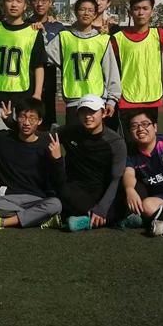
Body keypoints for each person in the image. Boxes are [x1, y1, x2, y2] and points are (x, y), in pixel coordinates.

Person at [0, 97, 64, 230]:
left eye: (32, 118)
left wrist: (58, 159)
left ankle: (3, 222)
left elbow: (60, 182)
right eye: (22, 117)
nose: (26, 122)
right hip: (7, 198)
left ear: (40, 121)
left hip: (36, 199)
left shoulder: (47, 144)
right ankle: (38, 218)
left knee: (55, 204)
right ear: (16, 118)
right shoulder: (2, 138)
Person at [53, 94, 128, 232]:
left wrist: (102, 209)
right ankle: (115, 219)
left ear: (103, 113)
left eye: (92, 111)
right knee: (61, 190)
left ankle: (88, 220)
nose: (88, 116)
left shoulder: (115, 142)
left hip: (103, 191)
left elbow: (116, 179)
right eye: (83, 112)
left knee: (122, 194)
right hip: (77, 191)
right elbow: (43, 136)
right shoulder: (69, 131)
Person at [110, 0, 163, 130]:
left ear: (152, 12)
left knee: (148, 140)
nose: (141, 12)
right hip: (127, 99)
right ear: (130, 12)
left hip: (151, 98)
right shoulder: (118, 38)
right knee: (129, 140)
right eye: (137, 8)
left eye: (145, 8)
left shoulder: (159, 34)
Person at [45, 0, 121, 126]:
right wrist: (41, 33)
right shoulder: (64, 37)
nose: (86, 13)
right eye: (82, 9)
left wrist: (112, 99)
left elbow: (111, 71)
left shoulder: (102, 40)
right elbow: (44, 55)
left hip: (97, 100)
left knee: (95, 137)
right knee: (74, 138)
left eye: (90, 10)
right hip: (73, 100)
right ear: (76, 12)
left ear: (95, 14)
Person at [0, 0, 46, 130]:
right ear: (3, 3)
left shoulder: (33, 31)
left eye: (18, 1)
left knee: (23, 135)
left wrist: (37, 94)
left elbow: (38, 65)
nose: (14, 4)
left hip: (24, 93)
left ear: (25, 6)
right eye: (10, 0)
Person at [28, 0, 65, 129]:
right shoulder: (24, 24)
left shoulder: (58, 27)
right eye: (36, 0)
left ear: (50, 2)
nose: (40, 4)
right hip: (27, 77)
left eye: (44, 0)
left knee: (47, 121)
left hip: (49, 78)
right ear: (30, 2)